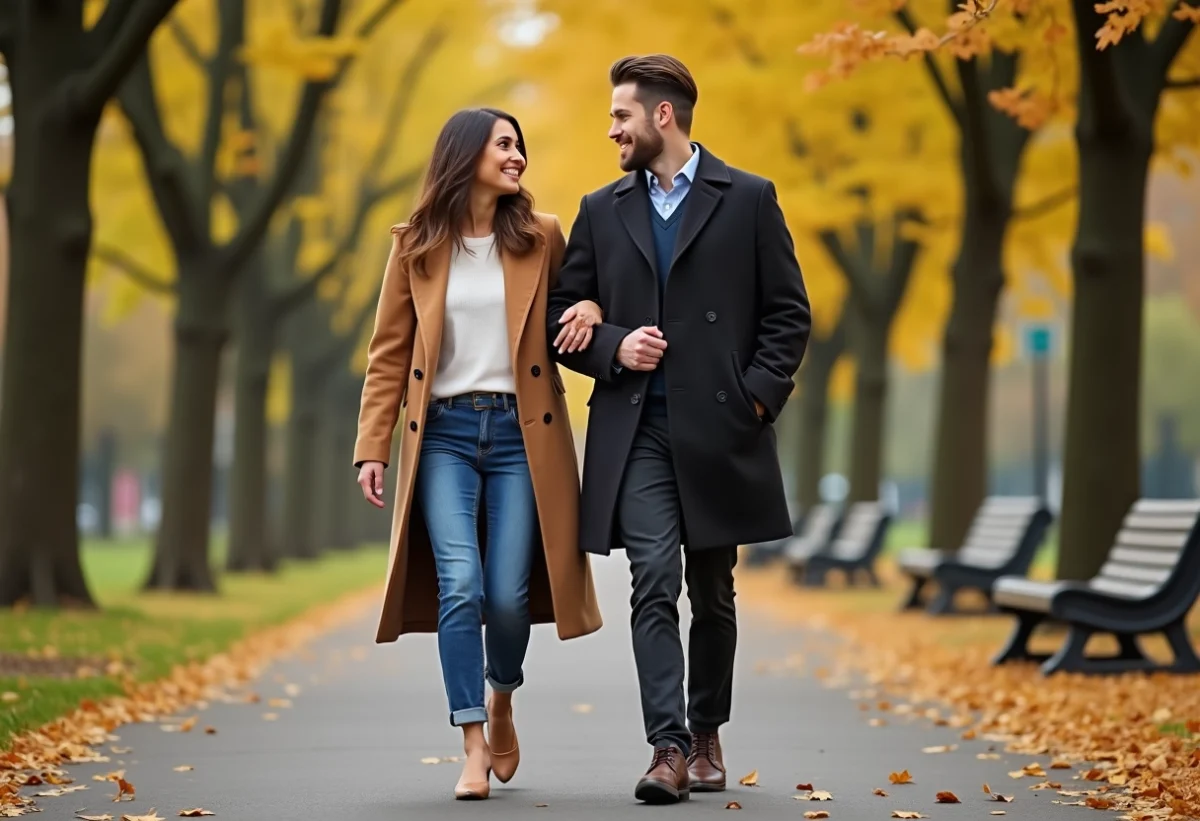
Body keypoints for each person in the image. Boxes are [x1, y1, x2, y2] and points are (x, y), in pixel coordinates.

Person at [548, 55, 812, 804]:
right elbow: (559, 319)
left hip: (721, 430)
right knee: (653, 580)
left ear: (663, 115)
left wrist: (755, 399)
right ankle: (665, 746)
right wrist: (613, 343)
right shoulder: (601, 209)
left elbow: (789, 314)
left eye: (621, 116)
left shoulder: (750, 198)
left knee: (713, 590)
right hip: (639, 432)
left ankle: (705, 732)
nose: (611, 131)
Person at [353, 107, 604, 801]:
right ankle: (470, 741)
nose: (517, 155)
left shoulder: (541, 235)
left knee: (508, 594)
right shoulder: (414, 246)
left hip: (524, 436)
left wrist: (589, 310)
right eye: (504, 144)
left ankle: (501, 697)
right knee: (459, 584)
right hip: (444, 437)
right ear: (466, 155)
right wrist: (372, 445)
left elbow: (581, 301)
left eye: (520, 145)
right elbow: (387, 355)